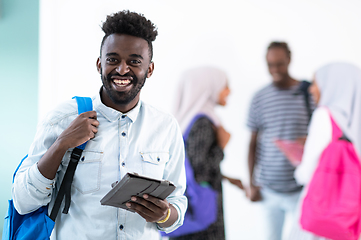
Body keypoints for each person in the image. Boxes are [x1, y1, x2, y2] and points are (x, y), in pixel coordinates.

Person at [12, 10, 187, 239]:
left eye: (134, 61)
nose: (122, 70)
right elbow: (22, 202)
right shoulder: (62, 119)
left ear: (150, 69)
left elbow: (177, 207)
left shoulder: (166, 127)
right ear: (99, 64)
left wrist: (164, 215)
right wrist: (62, 144)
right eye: (113, 60)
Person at [288, 62, 361, 239]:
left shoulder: (324, 115)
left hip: (324, 211)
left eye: (316, 83)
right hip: (357, 212)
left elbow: (307, 174)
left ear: (334, 84)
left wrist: (298, 163)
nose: (311, 89)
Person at [246, 41, 314, 240]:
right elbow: (252, 144)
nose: (274, 70)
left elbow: (322, 137)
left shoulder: (308, 93)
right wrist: (251, 183)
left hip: (300, 190)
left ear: (289, 60)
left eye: (279, 64)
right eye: (270, 65)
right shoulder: (259, 98)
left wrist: (307, 141)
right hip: (269, 190)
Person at [170, 66, 243, 240]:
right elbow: (200, 171)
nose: (228, 91)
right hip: (203, 218)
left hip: (188, 210)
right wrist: (221, 147)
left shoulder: (185, 121)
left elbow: (190, 164)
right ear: (209, 87)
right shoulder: (203, 122)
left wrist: (226, 177)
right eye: (225, 85)